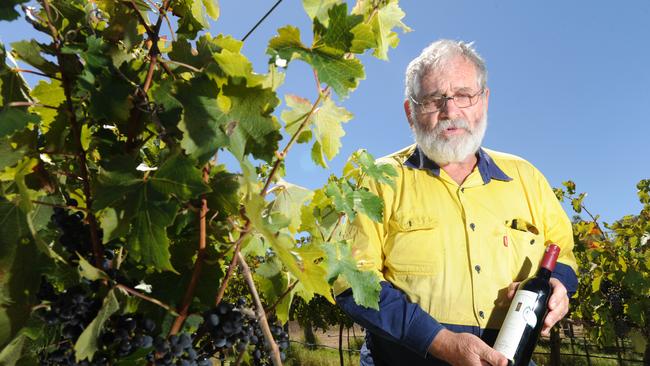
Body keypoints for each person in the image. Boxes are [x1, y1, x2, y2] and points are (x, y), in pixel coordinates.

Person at [335, 39, 578, 366]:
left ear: (485, 101)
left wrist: (559, 284)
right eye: (434, 100)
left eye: (464, 95)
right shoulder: (379, 180)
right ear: (411, 111)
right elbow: (351, 279)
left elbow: (561, 248)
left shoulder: (527, 178)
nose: (451, 112)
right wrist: (440, 342)